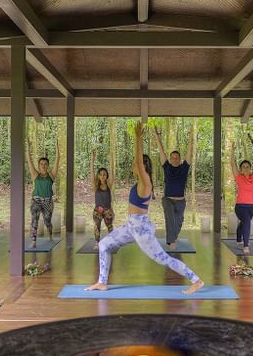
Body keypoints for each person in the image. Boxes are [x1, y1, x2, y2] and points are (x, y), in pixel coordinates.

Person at [86, 122, 204, 295]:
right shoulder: (140, 182)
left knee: (163, 258)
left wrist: (138, 138)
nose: (133, 165)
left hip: (140, 229)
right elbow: (139, 164)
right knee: (103, 244)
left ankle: (196, 280)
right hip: (131, 226)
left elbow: (139, 163)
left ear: (141, 166)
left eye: (136, 164)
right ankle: (102, 282)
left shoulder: (145, 182)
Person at [152, 125, 195, 249]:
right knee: (170, 217)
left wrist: (191, 137)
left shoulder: (184, 168)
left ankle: (173, 236)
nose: (175, 159)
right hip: (168, 199)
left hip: (180, 201)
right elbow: (161, 151)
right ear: (170, 159)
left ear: (180, 159)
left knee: (179, 221)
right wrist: (157, 137)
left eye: (177, 158)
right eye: (173, 158)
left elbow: (189, 153)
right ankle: (171, 241)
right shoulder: (167, 167)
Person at [229, 139, 253, 255]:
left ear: (250, 168)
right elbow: (232, 164)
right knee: (247, 222)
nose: (246, 168)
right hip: (240, 206)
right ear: (241, 169)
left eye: (248, 166)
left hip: (250, 207)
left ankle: (238, 237)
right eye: (243, 167)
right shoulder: (238, 177)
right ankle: (246, 245)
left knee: (244, 223)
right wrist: (232, 151)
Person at [25, 139, 59, 249]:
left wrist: (57, 149)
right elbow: (29, 161)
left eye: (45, 164)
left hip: (48, 201)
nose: (43, 165)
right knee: (34, 218)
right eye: (41, 164)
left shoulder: (51, 175)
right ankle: (34, 241)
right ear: (39, 166)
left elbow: (57, 161)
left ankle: (50, 233)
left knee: (47, 221)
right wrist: (28, 148)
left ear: (48, 165)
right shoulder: (35, 175)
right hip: (36, 200)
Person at [90, 149, 114, 250]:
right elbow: (91, 173)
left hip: (107, 209)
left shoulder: (109, 185)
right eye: (101, 174)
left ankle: (112, 241)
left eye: (105, 174)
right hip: (98, 210)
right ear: (98, 176)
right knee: (97, 225)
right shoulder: (96, 186)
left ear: (106, 176)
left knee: (110, 226)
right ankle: (96, 242)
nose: (103, 176)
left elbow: (112, 173)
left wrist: (111, 159)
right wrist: (92, 160)